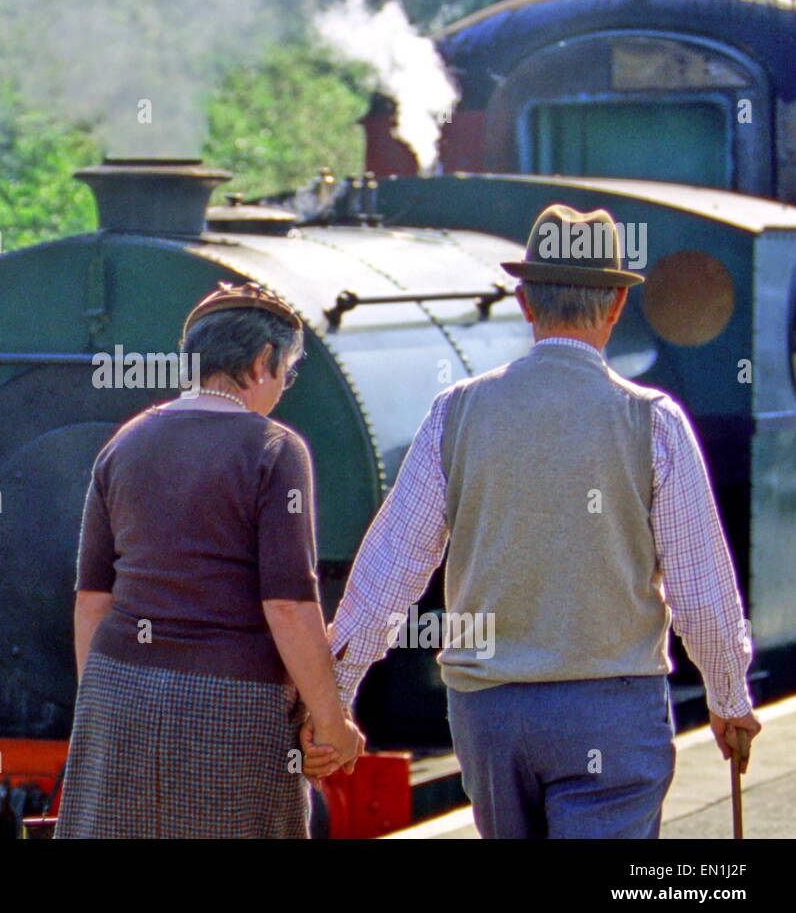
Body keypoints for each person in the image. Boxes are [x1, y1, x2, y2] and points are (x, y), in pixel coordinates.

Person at [304, 204, 761, 839]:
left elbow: (389, 570)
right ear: (614, 307)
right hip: (611, 710)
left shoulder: (456, 412)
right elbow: (701, 594)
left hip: (492, 716)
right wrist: (729, 700)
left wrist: (338, 696)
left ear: (524, 302)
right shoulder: (653, 422)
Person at [53, 281, 364, 838]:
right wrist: (330, 720)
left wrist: (99, 708)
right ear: (264, 360)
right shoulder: (274, 448)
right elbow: (289, 604)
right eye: (287, 373)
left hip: (115, 688)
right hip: (231, 704)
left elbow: (91, 598)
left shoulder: (124, 442)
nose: (283, 389)